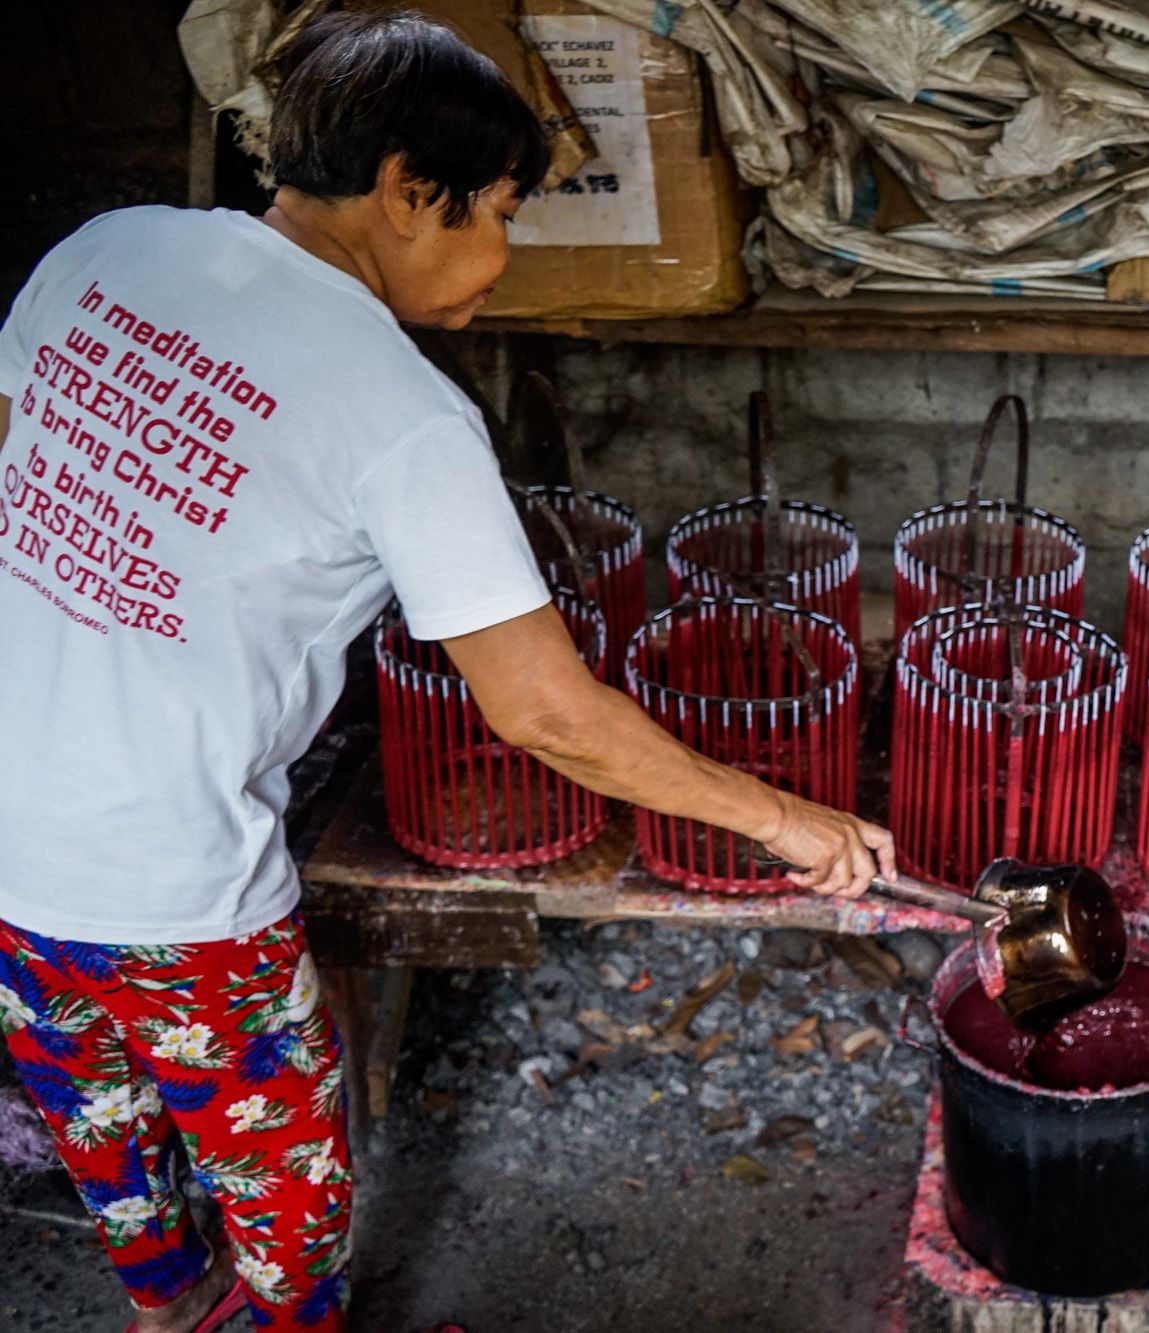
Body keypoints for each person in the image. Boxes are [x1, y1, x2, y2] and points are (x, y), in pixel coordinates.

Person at [0, 13, 892, 1332]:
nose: (506, 257)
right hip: (176, 901)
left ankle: (164, 1312)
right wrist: (782, 817)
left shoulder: (105, 252)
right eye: (503, 213)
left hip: (11, 862)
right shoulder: (399, 412)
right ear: (409, 191)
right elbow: (542, 711)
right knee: (290, 1231)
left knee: (125, 1180)